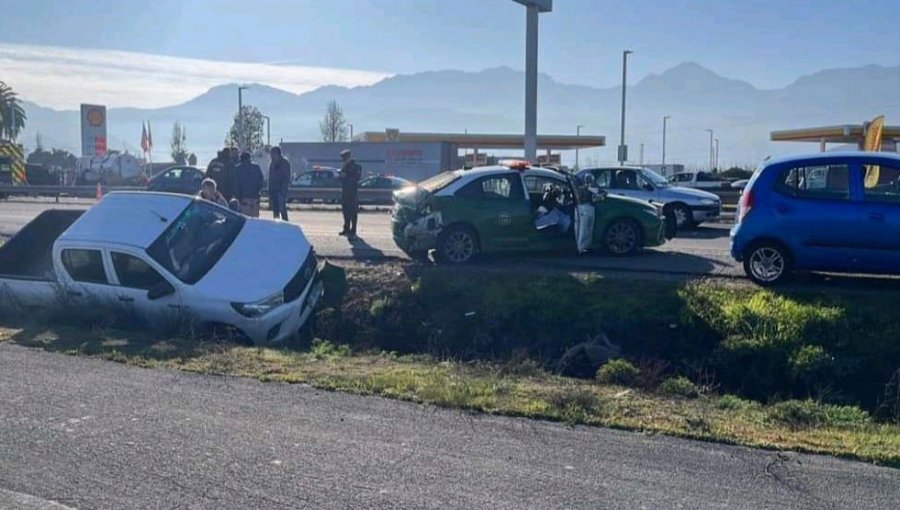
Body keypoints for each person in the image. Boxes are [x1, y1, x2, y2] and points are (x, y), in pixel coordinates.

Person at [338, 149, 362, 237]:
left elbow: (355, 179)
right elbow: (340, 179)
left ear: (349, 157)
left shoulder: (356, 167)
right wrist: (341, 176)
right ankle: (346, 228)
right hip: (345, 192)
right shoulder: (344, 167)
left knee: (353, 212)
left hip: (353, 192)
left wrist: (345, 176)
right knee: (345, 211)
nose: (344, 160)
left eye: (345, 158)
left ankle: (353, 230)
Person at [235, 152, 264, 217]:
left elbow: (236, 184)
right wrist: (258, 190)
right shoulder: (256, 167)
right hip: (255, 197)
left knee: (245, 219)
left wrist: (238, 197)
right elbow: (261, 181)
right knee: (255, 219)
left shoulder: (238, 168)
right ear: (249, 158)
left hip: (243, 198)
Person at [268, 146, 291, 221]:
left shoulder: (285, 163)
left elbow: (286, 178)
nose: (271, 156)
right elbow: (270, 177)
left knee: (282, 209)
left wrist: (283, 190)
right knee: (275, 210)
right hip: (273, 190)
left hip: (281, 190)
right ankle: (277, 225)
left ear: (277, 153)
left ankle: (286, 224)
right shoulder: (272, 163)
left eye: (272, 154)